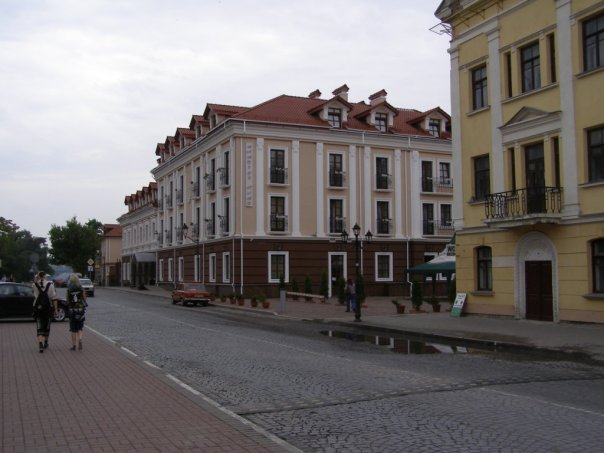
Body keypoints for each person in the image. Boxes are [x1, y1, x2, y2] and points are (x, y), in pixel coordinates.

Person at [32, 271, 58, 353]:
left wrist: (36, 279)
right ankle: (46, 342)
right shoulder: (50, 285)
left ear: (38, 276)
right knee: (47, 325)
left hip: (38, 308)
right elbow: (54, 298)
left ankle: (40, 344)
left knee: (39, 326)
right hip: (48, 308)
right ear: (45, 276)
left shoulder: (34, 285)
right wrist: (56, 310)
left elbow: (33, 293)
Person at [66, 274, 88, 351]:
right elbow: (84, 298)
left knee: (73, 329)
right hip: (80, 309)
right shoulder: (81, 288)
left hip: (72, 310)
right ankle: (80, 339)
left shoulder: (69, 289)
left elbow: (67, 300)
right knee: (80, 327)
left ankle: (74, 345)